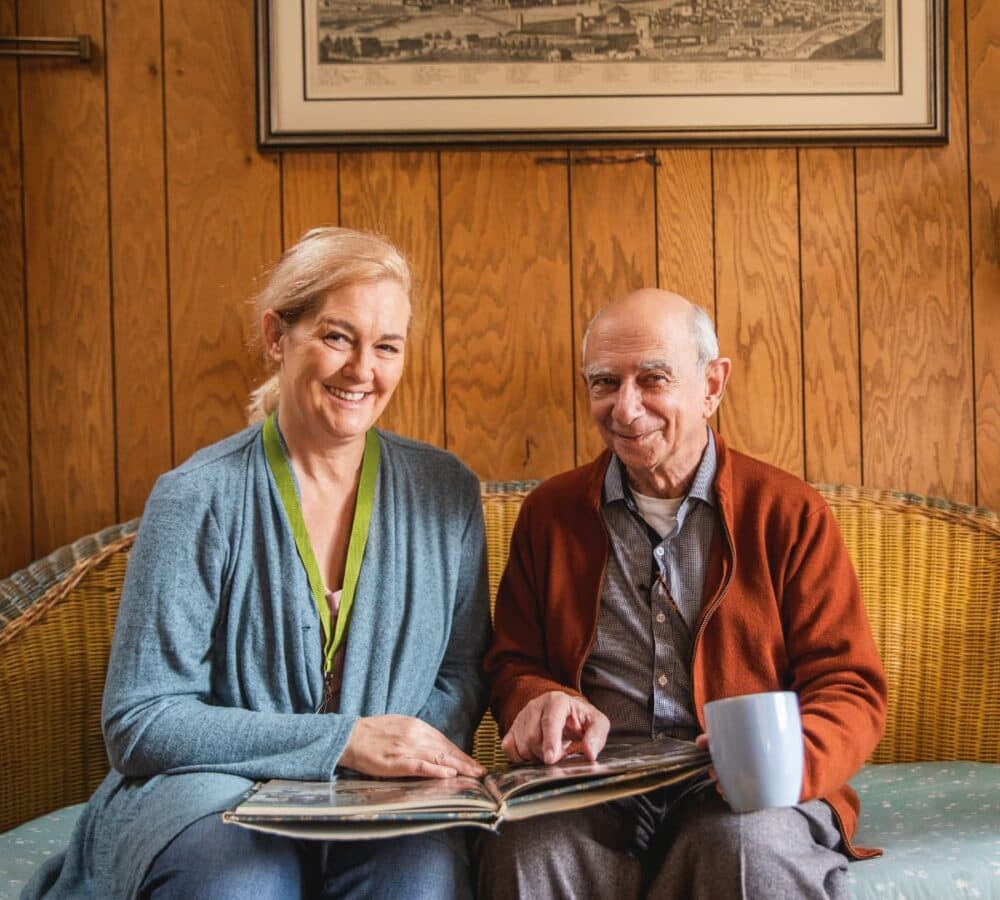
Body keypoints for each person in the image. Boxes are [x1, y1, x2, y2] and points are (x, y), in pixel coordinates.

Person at [23, 227, 492, 900]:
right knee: (245, 880)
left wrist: (401, 757)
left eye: (386, 346)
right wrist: (344, 741)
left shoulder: (447, 491)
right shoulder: (196, 496)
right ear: (278, 337)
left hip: (382, 802)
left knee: (420, 875)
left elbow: (460, 672)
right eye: (337, 337)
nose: (363, 370)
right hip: (203, 797)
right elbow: (141, 721)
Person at [477, 288, 887, 900]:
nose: (626, 407)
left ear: (712, 385)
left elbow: (849, 685)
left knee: (746, 853)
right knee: (526, 850)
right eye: (604, 382)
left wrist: (784, 763)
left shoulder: (786, 512)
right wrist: (539, 700)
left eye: (654, 378)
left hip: (745, 790)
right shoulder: (550, 515)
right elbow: (513, 663)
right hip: (595, 786)